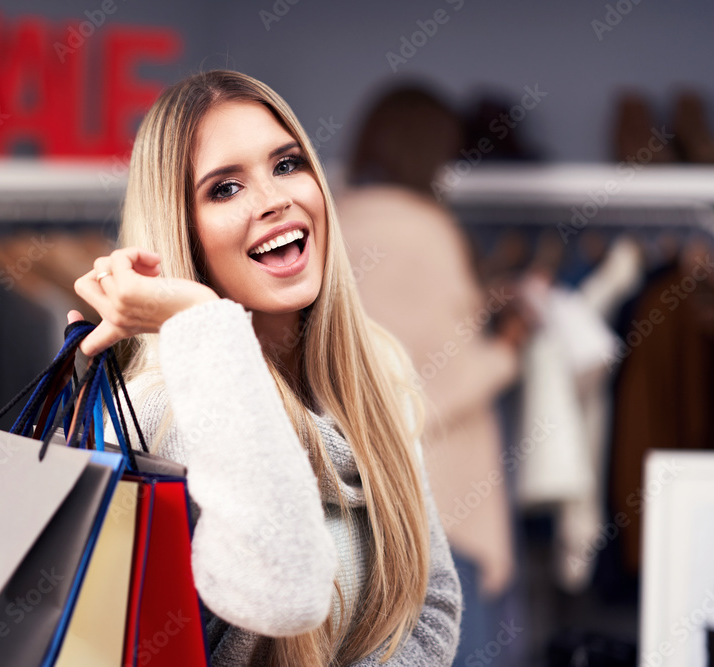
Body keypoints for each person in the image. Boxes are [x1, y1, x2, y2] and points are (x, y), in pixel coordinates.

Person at [67, 70, 461, 666]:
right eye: (224, 189)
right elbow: (285, 595)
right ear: (183, 231)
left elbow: (432, 606)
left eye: (286, 165)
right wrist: (199, 319)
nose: (275, 200)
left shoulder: (379, 366)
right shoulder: (161, 408)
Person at [337, 84, 530, 666]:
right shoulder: (426, 229)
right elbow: (434, 386)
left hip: (363, 495)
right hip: (442, 499)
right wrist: (509, 347)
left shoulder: (335, 224)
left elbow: (384, 354)